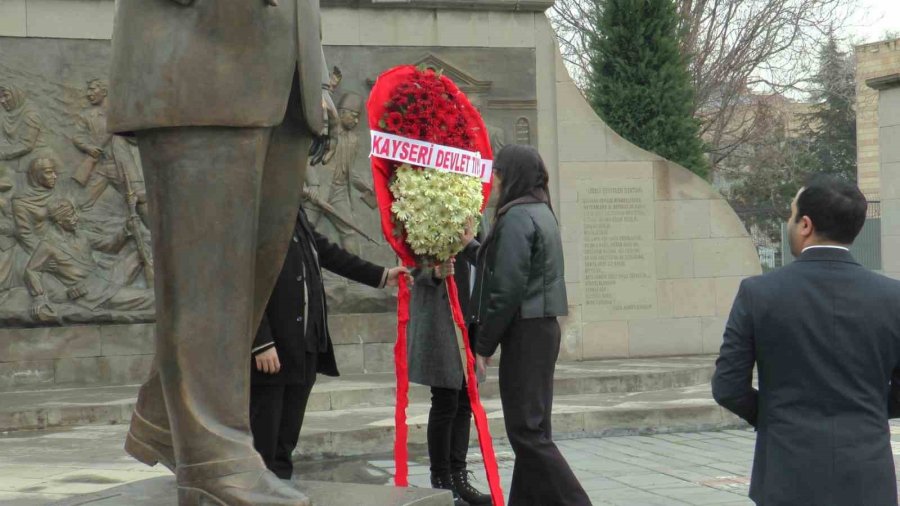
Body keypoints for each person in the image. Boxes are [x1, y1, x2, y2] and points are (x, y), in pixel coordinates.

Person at [108, 1, 339, 504]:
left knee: (250, 273)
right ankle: (212, 456)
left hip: (286, 77)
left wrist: (316, 76)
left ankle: (169, 422)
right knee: (206, 276)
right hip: (196, 61)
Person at [712, 177, 900, 506]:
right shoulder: (893, 297)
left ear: (806, 225)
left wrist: (776, 417)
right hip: (867, 473)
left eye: (791, 214)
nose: (789, 222)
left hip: (787, 471)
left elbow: (728, 386)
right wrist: (865, 411)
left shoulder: (758, 293)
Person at [467, 144, 591, 506]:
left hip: (525, 331)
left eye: (498, 173)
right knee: (534, 428)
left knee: (526, 431)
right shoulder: (540, 210)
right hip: (541, 328)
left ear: (512, 175)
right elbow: (505, 265)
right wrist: (471, 245)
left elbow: (506, 288)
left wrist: (483, 346)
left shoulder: (516, 217)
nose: (494, 181)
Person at [249, 207, 408, 479]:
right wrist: (260, 341)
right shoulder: (255, 208)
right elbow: (243, 279)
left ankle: (280, 490)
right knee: (263, 442)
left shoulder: (292, 207)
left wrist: (381, 276)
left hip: (305, 344)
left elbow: (327, 252)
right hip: (273, 349)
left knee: (285, 441)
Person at [407, 255, 490, 506]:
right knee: (446, 398)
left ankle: (459, 475)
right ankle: (441, 479)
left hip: (471, 313)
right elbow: (408, 265)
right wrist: (431, 273)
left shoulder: (479, 218)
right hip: (442, 316)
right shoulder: (422, 216)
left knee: (465, 399)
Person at [24, 199, 153, 319]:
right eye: (70, 216)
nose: (76, 218)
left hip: (104, 276)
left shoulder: (81, 235)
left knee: (141, 251)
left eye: (74, 213)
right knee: (150, 298)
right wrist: (39, 297)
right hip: (92, 293)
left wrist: (126, 229)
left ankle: (154, 282)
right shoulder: (48, 245)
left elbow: (110, 246)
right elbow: (31, 270)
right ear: (59, 221)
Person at [12, 158, 57, 253]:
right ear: (37, 175)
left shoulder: (56, 193)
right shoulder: (21, 201)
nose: (54, 176)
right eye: (48, 172)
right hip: (40, 248)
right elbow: (24, 234)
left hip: (64, 244)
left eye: (54, 172)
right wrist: (44, 255)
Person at [0, 84, 46, 172]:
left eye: (6, 96)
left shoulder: (30, 114)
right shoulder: (5, 114)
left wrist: (2, 153)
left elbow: (27, 145)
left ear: (16, 94)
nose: (2, 101)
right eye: (0, 97)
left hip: (36, 159)